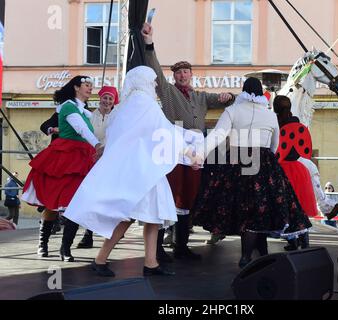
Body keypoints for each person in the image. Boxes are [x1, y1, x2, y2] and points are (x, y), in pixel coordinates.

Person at [63, 66, 203, 277]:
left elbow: (115, 134)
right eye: (153, 80)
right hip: (145, 171)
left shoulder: (125, 106)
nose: (156, 84)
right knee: (136, 217)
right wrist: (190, 153)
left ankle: (148, 262)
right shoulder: (146, 104)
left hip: (136, 169)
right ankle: (106, 260)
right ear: (144, 81)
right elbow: (165, 133)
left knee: (146, 217)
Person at [191, 77, 312, 268]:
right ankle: (257, 253)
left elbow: (217, 135)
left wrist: (199, 154)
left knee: (241, 208)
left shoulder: (232, 111)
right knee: (260, 209)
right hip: (264, 163)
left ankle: (247, 255)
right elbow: (275, 145)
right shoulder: (270, 115)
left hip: (236, 161)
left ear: (243, 91)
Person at [141, 22, 235, 261]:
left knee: (188, 196)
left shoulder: (201, 96)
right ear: (174, 76)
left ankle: (181, 245)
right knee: (169, 194)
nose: (182, 75)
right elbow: (156, 71)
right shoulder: (167, 91)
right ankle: (159, 248)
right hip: (173, 143)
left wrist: (229, 96)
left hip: (196, 148)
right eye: (178, 72)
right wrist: (149, 43)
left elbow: (224, 100)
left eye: (186, 71)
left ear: (192, 74)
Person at [21, 75, 103, 261]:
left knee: (75, 205)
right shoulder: (68, 107)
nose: (90, 88)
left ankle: (65, 248)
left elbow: (94, 127)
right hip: (64, 159)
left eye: (91, 85)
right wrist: (97, 145)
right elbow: (82, 129)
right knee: (52, 204)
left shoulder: (84, 110)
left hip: (83, 159)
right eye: (87, 85)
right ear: (76, 88)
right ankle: (43, 243)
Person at [74, 86, 120, 249]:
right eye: (105, 98)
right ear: (100, 98)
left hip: (109, 160)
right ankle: (88, 235)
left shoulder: (117, 117)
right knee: (91, 197)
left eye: (111, 99)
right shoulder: (89, 115)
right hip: (91, 160)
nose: (107, 101)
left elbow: (117, 136)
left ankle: (113, 233)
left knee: (108, 198)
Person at [273, 95, 317, 250]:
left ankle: (292, 242)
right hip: (299, 169)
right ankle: (304, 242)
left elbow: (275, 151)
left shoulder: (276, 123)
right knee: (301, 208)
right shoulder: (297, 123)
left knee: (286, 208)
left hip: (282, 171)